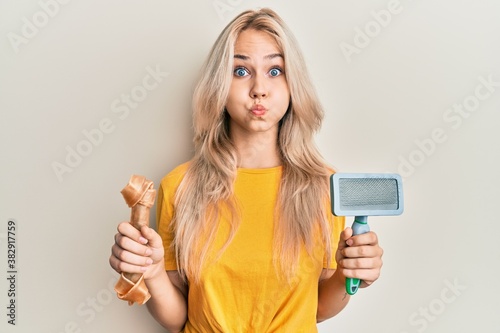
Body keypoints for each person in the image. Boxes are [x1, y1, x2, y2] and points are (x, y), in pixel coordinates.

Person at [109, 7, 383, 333]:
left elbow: (319, 309)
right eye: (240, 71)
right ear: (219, 86)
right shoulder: (180, 185)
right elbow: (180, 318)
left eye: (275, 70)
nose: (258, 89)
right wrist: (152, 272)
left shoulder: (327, 186)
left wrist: (349, 274)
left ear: (293, 82)